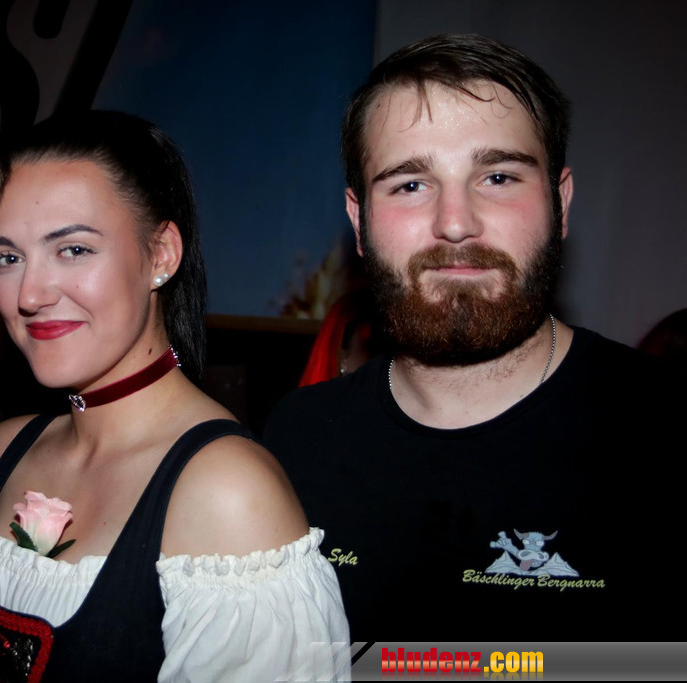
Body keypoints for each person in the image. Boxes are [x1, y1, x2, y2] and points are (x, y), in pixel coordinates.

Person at [264, 33, 685, 642]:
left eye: (498, 176)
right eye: (410, 184)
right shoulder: (297, 438)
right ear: (359, 221)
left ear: (561, 203)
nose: (456, 223)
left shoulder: (668, 427)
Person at [0, 111, 348, 682]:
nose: (30, 294)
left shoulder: (227, 493)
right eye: (8, 257)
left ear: (162, 255)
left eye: (73, 249)